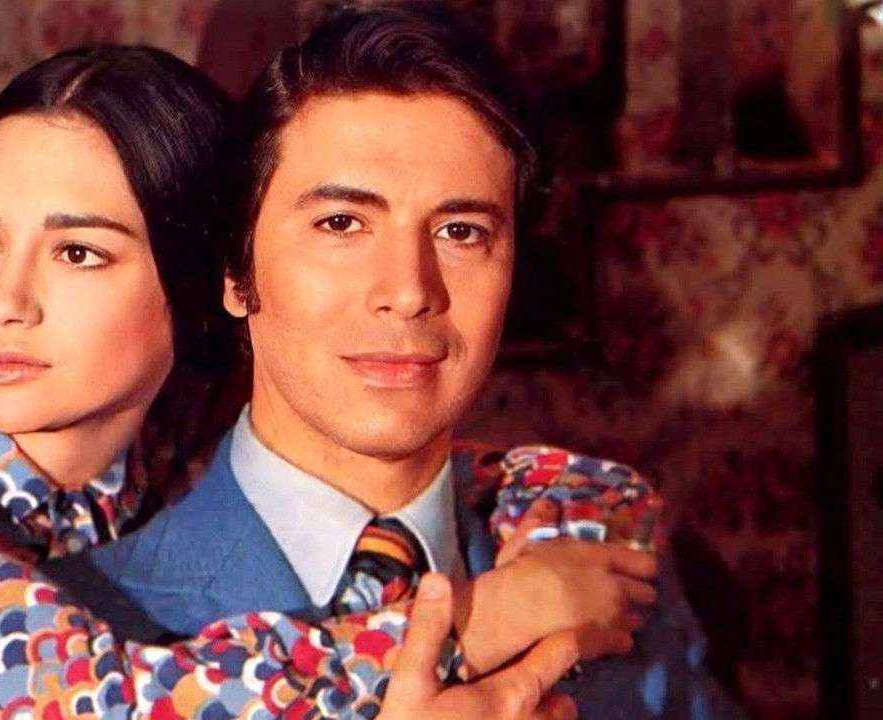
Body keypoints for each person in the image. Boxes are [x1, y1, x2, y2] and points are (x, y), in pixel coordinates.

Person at [0, 43, 614, 720]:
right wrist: (474, 625)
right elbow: (84, 702)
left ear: (206, 283)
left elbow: (507, 476)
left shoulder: (171, 441)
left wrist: (568, 550)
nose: (5, 301)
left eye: (78, 254)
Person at [48, 5, 747, 719]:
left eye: (460, 231)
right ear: (236, 272)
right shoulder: (78, 633)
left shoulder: (605, 564)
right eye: (342, 223)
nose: (409, 291)